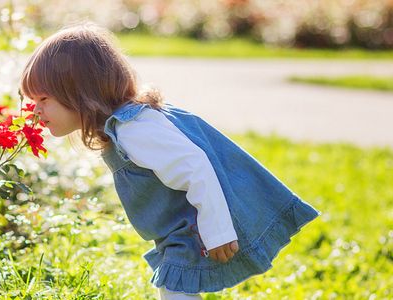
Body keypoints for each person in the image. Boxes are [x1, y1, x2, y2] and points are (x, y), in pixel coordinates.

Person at [18, 22, 320, 299]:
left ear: (80, 92)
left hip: (191, 230)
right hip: (179, 232)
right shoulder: (125, 126)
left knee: (175, 291)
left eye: (44, 99)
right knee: (172, 290)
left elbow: (195, 167)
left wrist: (217, 231)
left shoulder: (135, 130)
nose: (35, 111)